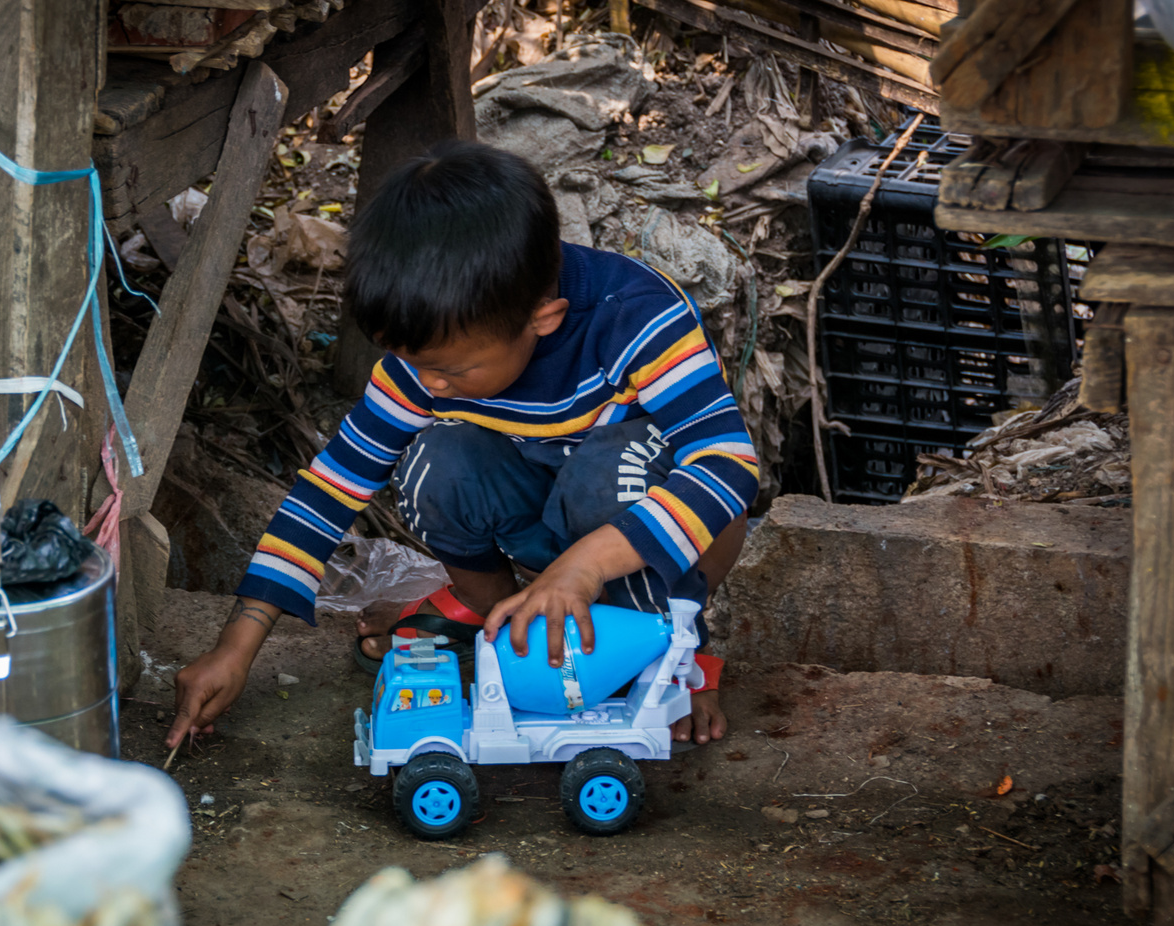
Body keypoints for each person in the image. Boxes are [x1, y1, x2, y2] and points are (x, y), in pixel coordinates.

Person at [168, 141, 757, 751]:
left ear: (544, 317)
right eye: (410, 362)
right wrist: (235, 648)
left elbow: (730, 466)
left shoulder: (635, 317)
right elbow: (331, 489)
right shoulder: (429, 357)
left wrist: (583, 569)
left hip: (651, 532)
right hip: (545, 522)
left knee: (609, 471)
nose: (428, 384)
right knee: (434, 461)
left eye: (451, 371)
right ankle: (501, 616)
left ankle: (673, 653)